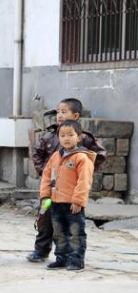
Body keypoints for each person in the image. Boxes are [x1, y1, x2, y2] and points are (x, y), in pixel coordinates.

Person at [26, 98, 106, 262]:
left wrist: (84, 173)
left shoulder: (84, 138)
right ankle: (41, 250)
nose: (59, 115)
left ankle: (72, 256)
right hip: (51, 189)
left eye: (64, 112)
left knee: (71, 223)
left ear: (75, 115)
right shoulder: (50, 135)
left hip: (70, 190)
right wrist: (44, 172)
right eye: (58, 112)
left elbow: (99, 155)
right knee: (45, 219)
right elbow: (37, 154)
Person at [39, 120, 95, 271]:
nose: (66, 138)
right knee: (58, 233)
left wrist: (78, 201)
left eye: (70, 135)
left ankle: (76, 260)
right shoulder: (56, 156)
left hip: (72, 204)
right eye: (62, 135)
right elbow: (46, 176)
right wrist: (45, 195)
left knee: (75, 232)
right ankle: (61, 258)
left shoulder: (82, 158)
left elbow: (84, 181)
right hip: (56, 202)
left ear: (79, 137)